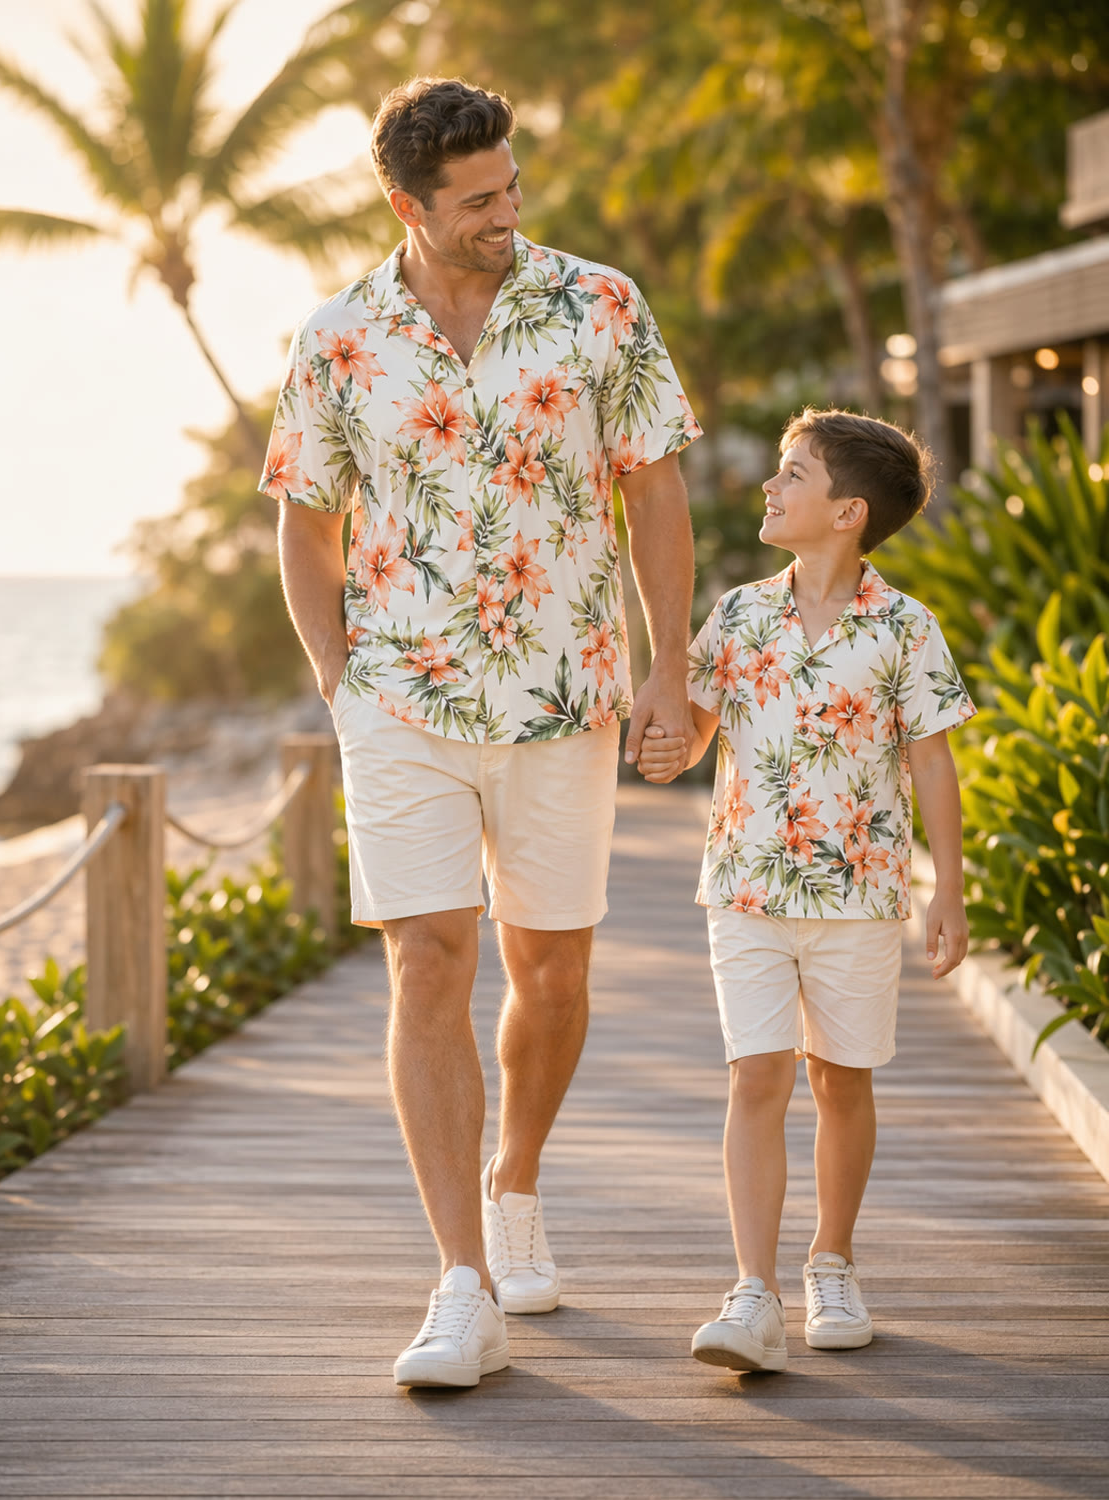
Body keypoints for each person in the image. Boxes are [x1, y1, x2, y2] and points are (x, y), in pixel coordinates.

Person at [259, 76, 701, 1388]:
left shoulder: (599, 304)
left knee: (551, 974)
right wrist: (338, 675)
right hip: (400, 702)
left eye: (512, 186)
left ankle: (515, 1180)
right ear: (410, 206)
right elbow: (303, 514)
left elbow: (657, 491)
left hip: (567, 693)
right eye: (479, 200)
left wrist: (671, 676)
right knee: (430, 963)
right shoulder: (338, 335)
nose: (508, 212)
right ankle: (460, 1282)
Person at [639, 408, 975, 1373]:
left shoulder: (907, 628)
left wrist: (946, 887)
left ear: (847, 512)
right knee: (758, 1075)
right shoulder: (739, 614)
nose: (770, 488)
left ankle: (833, 1261)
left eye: (792, 476)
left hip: (861, 897)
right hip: (745, 889)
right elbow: (695, 730)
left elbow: (933, 762)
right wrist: (668, 748)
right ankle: (753, 1292)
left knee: (842, 1081)